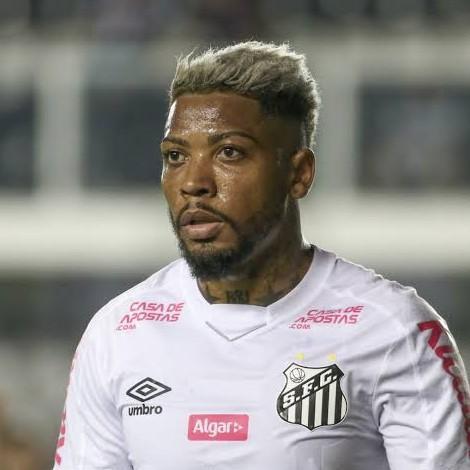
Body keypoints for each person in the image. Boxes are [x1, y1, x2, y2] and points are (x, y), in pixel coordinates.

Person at [52, 41, 470, 470]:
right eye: (175, 156)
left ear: (299, 173)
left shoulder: (393, 330)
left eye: (229, 152)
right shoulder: (118, 334)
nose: (193, 183)